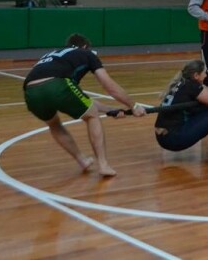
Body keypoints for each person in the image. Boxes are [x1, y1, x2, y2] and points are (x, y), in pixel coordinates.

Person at [22, 33, 145, 177]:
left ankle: (82, 160)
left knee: (54, 124)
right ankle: (103, 165)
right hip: (57, 84)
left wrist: (109, 109)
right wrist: (133, 105)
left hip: (30, 92)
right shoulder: (86, 54)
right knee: (92, 116)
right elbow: (109, 86)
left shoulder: (53, 55)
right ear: (85, 46)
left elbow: (82, 99)